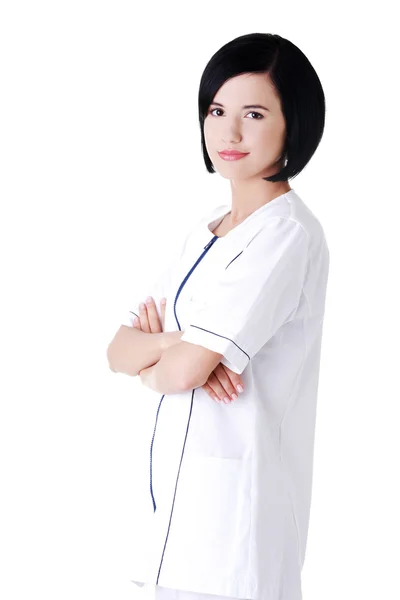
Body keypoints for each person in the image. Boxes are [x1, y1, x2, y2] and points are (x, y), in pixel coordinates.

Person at [107, 32, 330, 600]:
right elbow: (117, 350)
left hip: (234, 530)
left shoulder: (285, 235)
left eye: (253, 113)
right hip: (173, 522)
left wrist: (167, 363)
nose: (229, 133)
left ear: (292, 123)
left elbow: (175, 374)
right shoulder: (204, 231)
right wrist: (182, 345)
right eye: (217, 110)